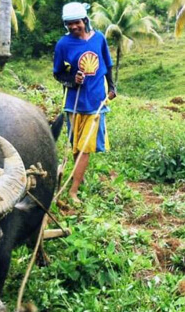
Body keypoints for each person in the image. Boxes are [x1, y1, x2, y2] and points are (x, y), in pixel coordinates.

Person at [53, 2, 116, 203]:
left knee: (85, 148)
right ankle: (78, 179)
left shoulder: (99, 39)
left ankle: (73, 191)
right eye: (69, 23)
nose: (73, 27)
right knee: (76, 147)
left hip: (95, 103)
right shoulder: (63, 44)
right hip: (74, 102)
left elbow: (107, 65)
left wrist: (112, 87)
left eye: (77, 22)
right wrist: (73, 79)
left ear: (85, 20)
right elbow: (58, 73)